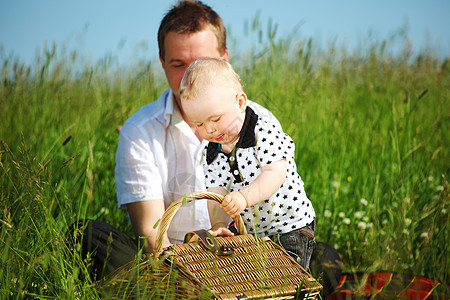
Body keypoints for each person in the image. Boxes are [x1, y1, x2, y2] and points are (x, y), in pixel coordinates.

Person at [69, 2, 341, 295]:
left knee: (325, 259)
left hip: (244, 250)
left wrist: (231, 234)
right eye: (178, 65)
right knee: (87, 235)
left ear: (224, 60)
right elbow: (150, 234)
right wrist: (193, 252)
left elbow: (272, 180)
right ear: (162, 64)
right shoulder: (140, 132)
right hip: (173, 260)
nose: (190, 76)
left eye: (201, 62)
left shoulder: (257, 120)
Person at [179, 57, 316, 269]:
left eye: (215, 119)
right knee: (251, 275)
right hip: (251, 231)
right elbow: (217, 192)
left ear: (240, 102)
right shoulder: (213, 150)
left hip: (288, 227)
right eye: (199, 124)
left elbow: (275, 174)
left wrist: (243, 197)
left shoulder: (263, 131)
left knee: (286, 278)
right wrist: (219, 224)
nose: (210, 129)